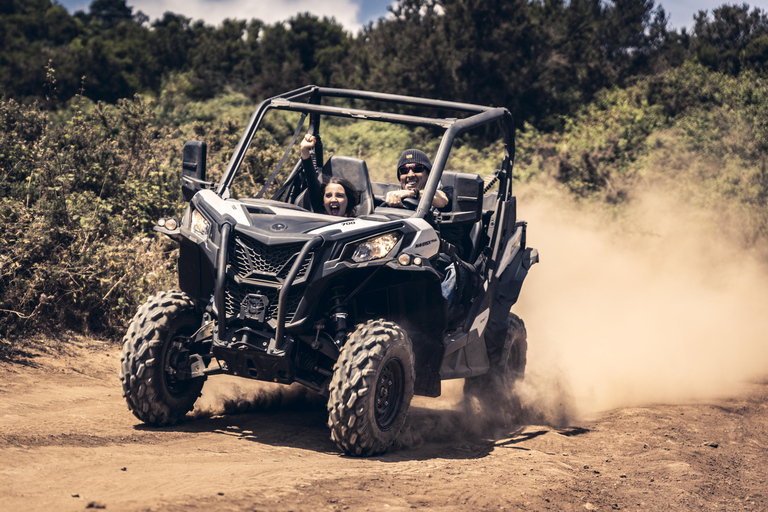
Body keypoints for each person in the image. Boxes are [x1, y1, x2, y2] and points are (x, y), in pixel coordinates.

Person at [385, 149, 467, 316]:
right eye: (404, 170)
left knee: (451, 271)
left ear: (430, 174)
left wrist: (411, 193)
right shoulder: (394, 200)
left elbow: (442, 200)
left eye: (417, 168)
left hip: (443, 256)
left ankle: (436, 321)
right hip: (404, 255)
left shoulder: (447, 192)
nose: (410, 174)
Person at [300, 133, 357, 217]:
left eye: (339, 195)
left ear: (348, 201)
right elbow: (311, 181)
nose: (333, 199)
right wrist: (304, 149)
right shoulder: (320, 212)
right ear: (323, 202)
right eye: (328, 196)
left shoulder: (360, 224)